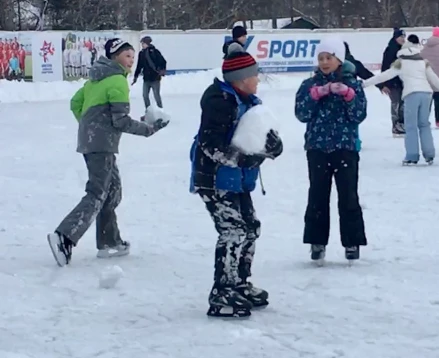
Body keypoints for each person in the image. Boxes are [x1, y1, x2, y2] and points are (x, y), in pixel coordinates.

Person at [47, 39, 169, 267]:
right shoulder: (117, 81)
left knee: (112, 191)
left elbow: (76, 103)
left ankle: (108, 241)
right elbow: (120, 120)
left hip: (93, 142)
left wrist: (89, 127)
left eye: (133, 57)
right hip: (101, 144)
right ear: (115, 58)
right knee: (97, 192)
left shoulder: (96, 79)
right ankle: (64, 236)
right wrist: (148, 129)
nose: (131, 61)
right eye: (126, 56)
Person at [190, 42, 283, 318]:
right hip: (215, 179)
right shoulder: (220, 102)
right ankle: (222, 290)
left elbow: (256, 137)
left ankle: (240, 282)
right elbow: (210, 143)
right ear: (241, 79)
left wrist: (271, 147)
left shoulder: (250, 102)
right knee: (232, 230)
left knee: (250, 227)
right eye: (254, 75)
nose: (258, 79)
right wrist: (240, 159)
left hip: (238, 180)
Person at [295, 37, 367, 265]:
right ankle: (317, 242)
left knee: (348, 196)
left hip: (345, 148)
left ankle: (352, 242)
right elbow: (301, 114)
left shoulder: (353, 84)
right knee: (317, 195)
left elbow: (359, 115)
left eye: (329, 57)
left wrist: (349, 96)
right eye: (321, 58)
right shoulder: (309, 85)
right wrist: (316, 95)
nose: (325, 62)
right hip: (317, 148)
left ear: (339, 59)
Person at [364, 35, 439, 166]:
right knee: (424, 124)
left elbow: (383, 76)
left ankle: (412, 155)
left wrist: (364, 84)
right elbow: (435, 80)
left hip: (411, 94)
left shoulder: (401, 62)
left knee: (411, 126)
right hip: (426, 94)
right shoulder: (422, 61)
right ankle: (429, 154)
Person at [378, 28, 407, 136]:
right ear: (395, 38)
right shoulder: (390, 50)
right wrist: (383, 84)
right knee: (395, 103)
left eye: (404, 37)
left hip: (401, 82)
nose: (403, 39)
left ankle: (402, 124)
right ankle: (396, 126)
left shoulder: (403, 50)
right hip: (391, 83)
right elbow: (385, 68)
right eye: (401, 37)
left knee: (403, 104)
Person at [133, 36, 167, 116]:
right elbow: (139, 66)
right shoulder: (141, 53)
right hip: (146, 79)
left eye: (143, 43)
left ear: (147, 43)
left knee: (156, 96)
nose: (142, 45)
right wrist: (135, 76)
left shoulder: (155, 52)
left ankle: (161, 111)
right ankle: (148, 111)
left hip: (155, 78)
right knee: (145, 95)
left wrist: (161, 69)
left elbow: (163, 61)